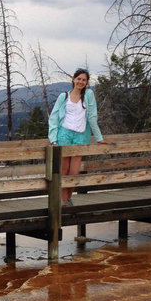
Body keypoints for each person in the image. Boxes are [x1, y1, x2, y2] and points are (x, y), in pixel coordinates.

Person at [48, 68, 107, 206]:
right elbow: (54, 118)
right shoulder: (64, 97)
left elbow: (92, 117)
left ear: (86, 83)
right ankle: (65, 201)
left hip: (81, 136)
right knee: (64, 170)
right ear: (73, 79)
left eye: (84, 80)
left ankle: (68, 198)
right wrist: (53, 139)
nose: (81, 82)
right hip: (64, 135)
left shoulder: (89, 95)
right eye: (78, 79)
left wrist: (99, 138)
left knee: (74, 172)